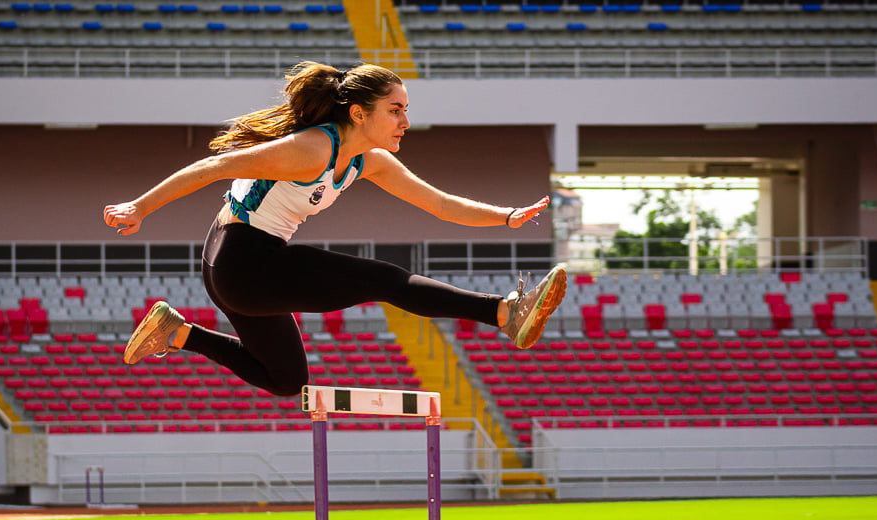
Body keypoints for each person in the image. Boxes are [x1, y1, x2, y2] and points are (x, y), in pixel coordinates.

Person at [103, 61, 566, 397]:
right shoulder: (311, 150)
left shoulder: (369, 161)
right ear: (360, 113)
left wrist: (505, 216)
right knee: (384, 278)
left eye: (406, 110)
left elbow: (441, 205)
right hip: (244, 260)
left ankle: (178, 333)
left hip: (239, 267)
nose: (406, 121)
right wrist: (139, 207)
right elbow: (216, 166)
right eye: (395, 110)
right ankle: (505, 314)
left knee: (287, 380)